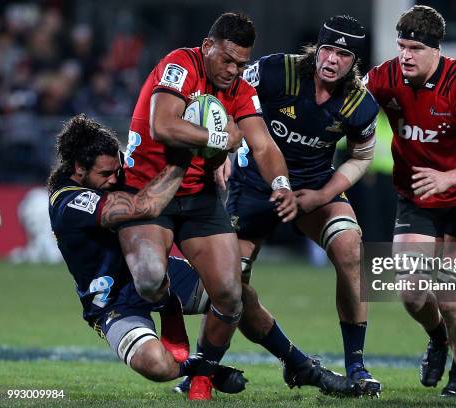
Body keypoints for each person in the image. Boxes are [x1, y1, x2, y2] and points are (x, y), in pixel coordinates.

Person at [118, 12, 298, 398]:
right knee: (149, 279)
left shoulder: (239, 89)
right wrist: (222, 138)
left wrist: (282, 184)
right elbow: (161, 125)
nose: (233, 70)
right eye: (227, 60)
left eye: (242, 63)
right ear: (207, 47)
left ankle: (201, 378)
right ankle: (169, 311)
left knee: (231, 294)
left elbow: (263, 144)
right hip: (150, 189)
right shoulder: (180, 64)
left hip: (198, 196)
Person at [224, 15, 381, 397]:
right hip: (255, 186)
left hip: (311, 189)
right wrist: (222, 150)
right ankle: (271, 361)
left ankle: (357, 365)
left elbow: (360, 157)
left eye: (342, 54)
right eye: (327, 49)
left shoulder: (360, 104)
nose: (331, 60)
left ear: (353, 61)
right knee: (228, 286)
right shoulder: (278, 71)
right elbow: (231, 100)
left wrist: (323, 195)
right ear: (317, 49)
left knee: (350, 250)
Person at [364, 5, 456, 399]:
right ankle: (438, 339)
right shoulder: (385, 76)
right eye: (401, 46)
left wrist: (447, 178)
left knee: (451, 296)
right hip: (418, 198)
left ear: (435, 50)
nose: (405, 55)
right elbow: (347, 109)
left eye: (414, 48)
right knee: (412, 294)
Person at [47, 115, 246, 399]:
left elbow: (149, 161)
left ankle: (298, 364)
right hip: (113, 300)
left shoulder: (113, 171)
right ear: (79, 168)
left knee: (236, 293)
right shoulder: (68, 202)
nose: (115, 179)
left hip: (154, 271)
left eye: (116, 169)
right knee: (155, 365)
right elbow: (144, 206)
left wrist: (212, 157)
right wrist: (184, 159)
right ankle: (203, 368)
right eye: (105, 175)